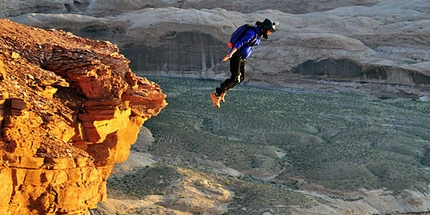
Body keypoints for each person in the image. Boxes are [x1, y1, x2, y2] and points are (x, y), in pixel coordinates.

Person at [210, 18, 279, 108]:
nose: (269, 33)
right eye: (269, 31)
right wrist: (231, 54)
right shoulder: (252, 33)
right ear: (265, 28)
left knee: (242, 77)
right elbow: (240, 43)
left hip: (241, 57)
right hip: (236, 56)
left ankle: (223, 91)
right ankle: (217, 94)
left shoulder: (257, 33)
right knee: (235, 78)